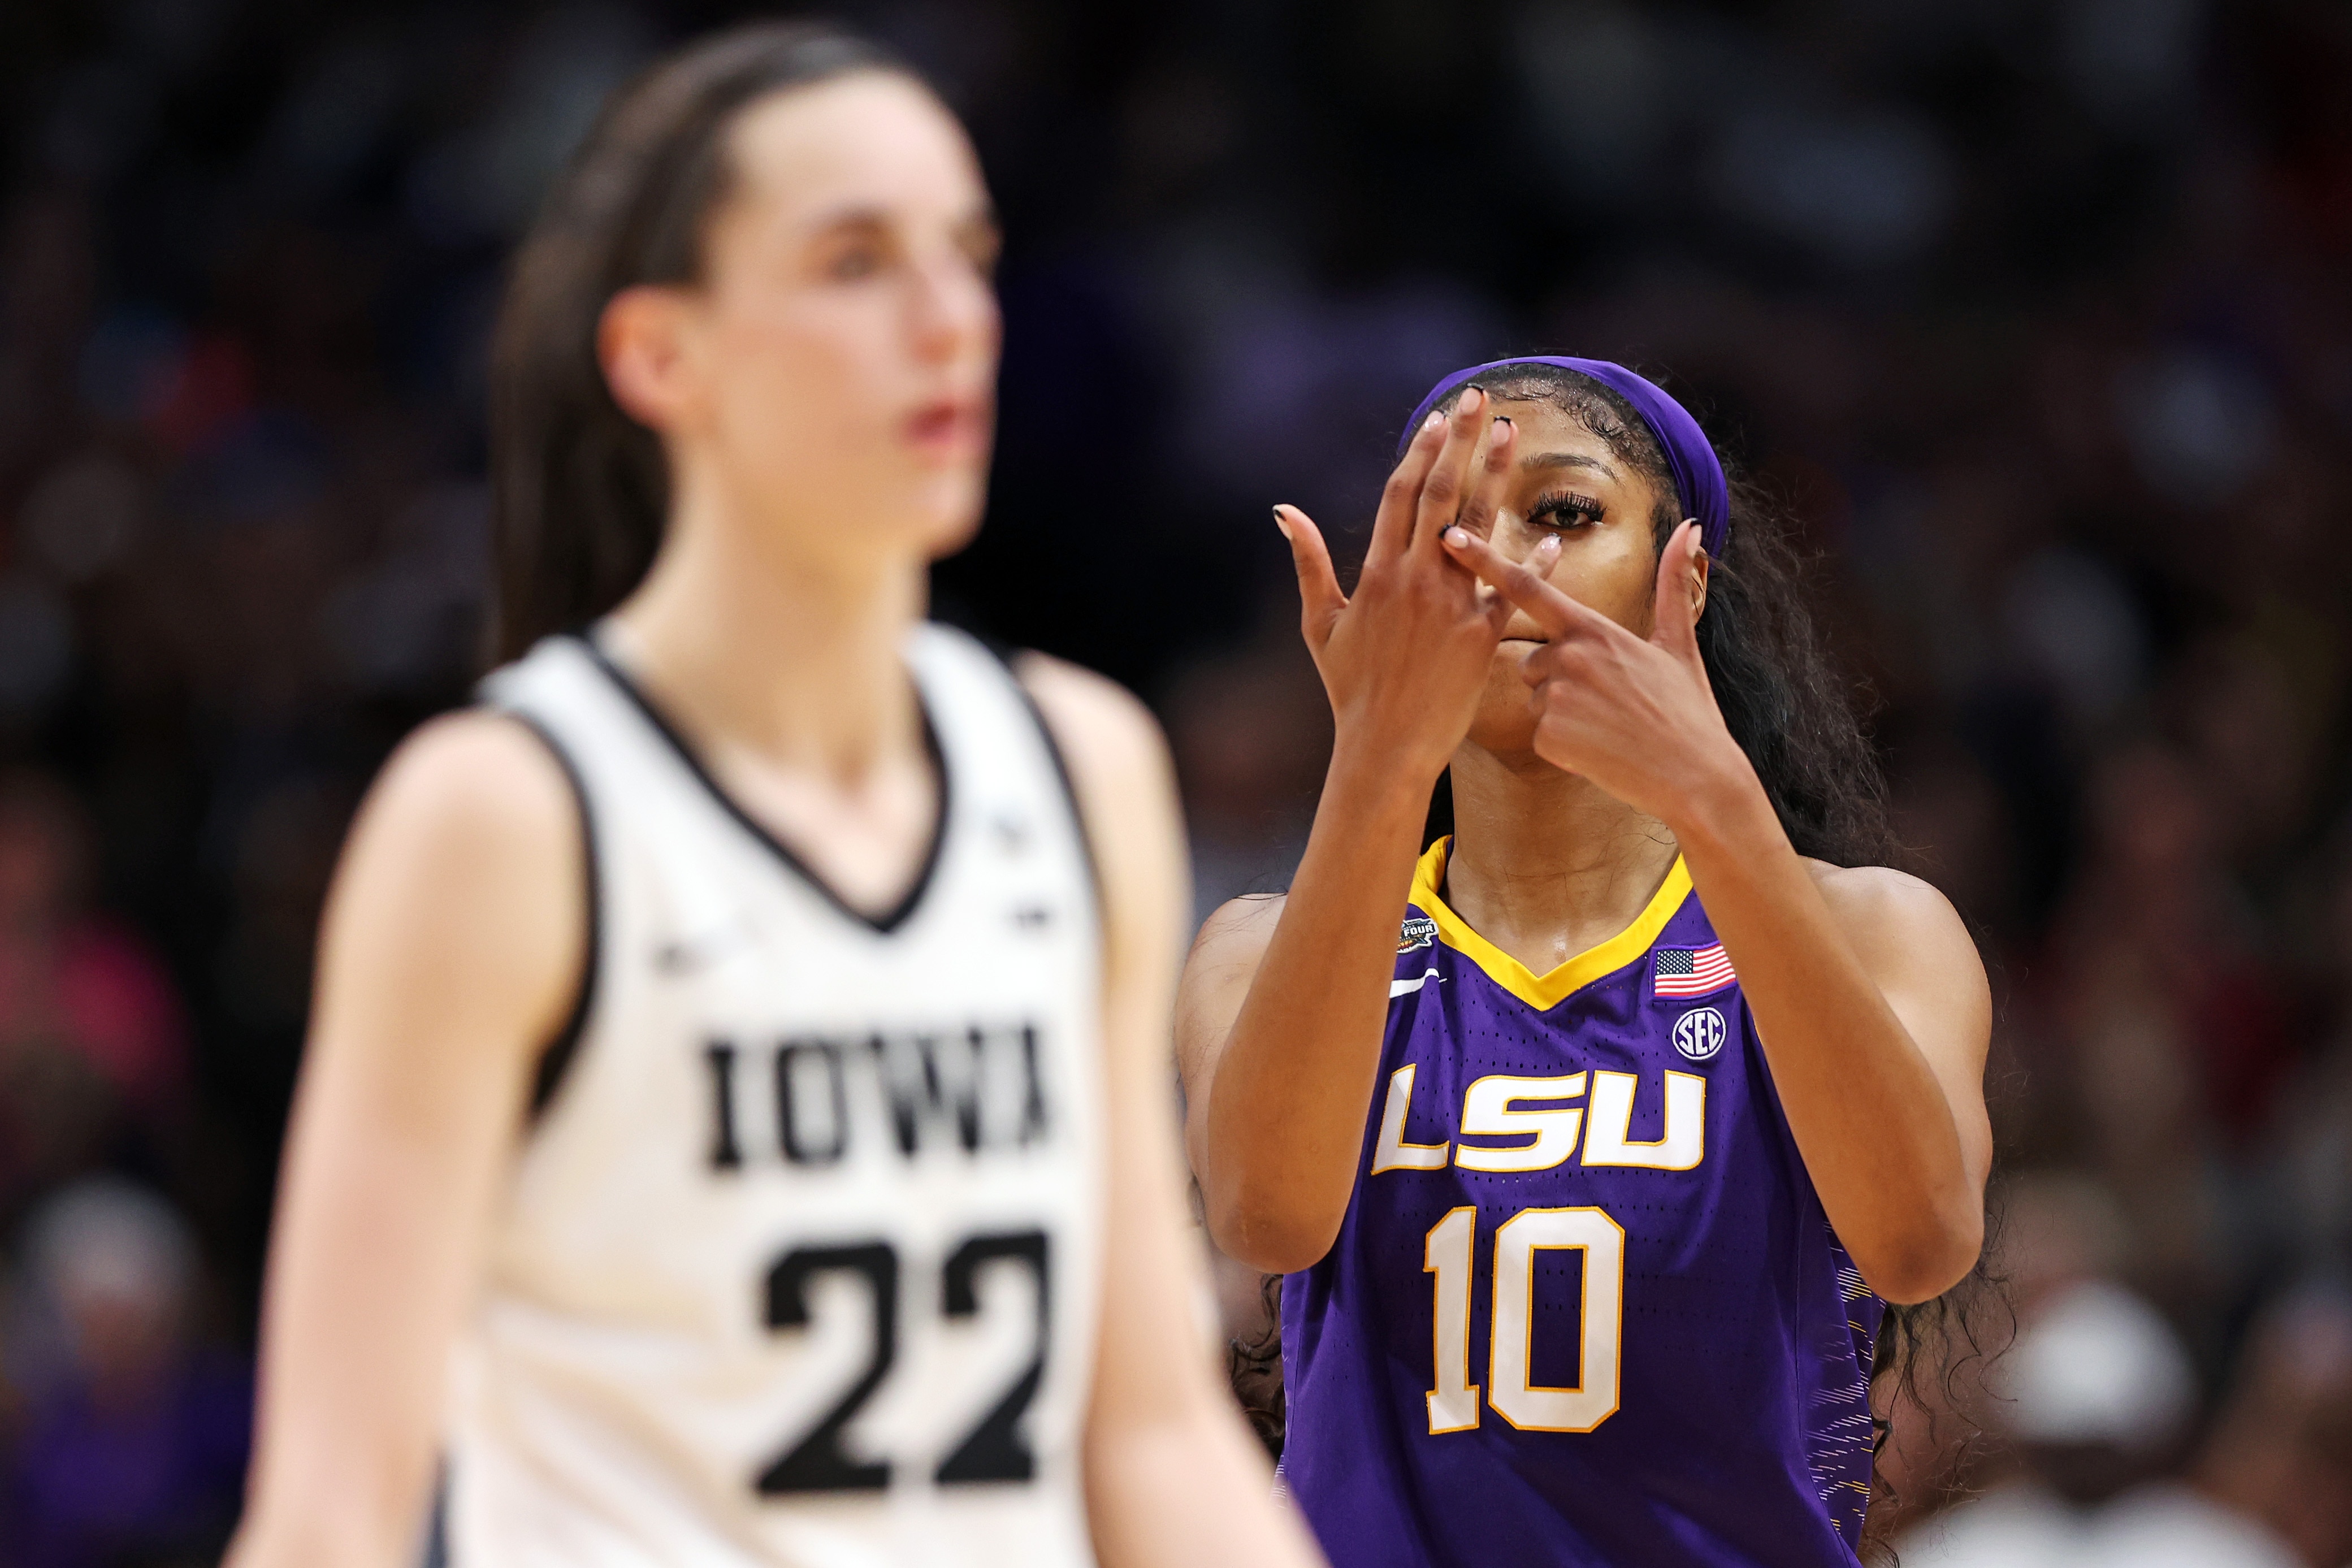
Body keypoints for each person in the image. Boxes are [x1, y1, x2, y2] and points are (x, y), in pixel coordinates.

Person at [227, 24, 1319, 1568]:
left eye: (967, 256)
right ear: (661, 354)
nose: (949, 321)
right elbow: (333, 1506)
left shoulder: (1080, 768)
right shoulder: (506, 815)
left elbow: (1144, 1424)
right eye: (855, 263)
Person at [1176, 357, 1993, 1566]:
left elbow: (1918, 1241)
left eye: (1561, 514)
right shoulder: (1253, 946)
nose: (1498, 561)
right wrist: (1379, 759)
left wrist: (1712, 799)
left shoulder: (1875, 928)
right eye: (1444, 527)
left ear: (1688, 573)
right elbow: (1266, 1217)